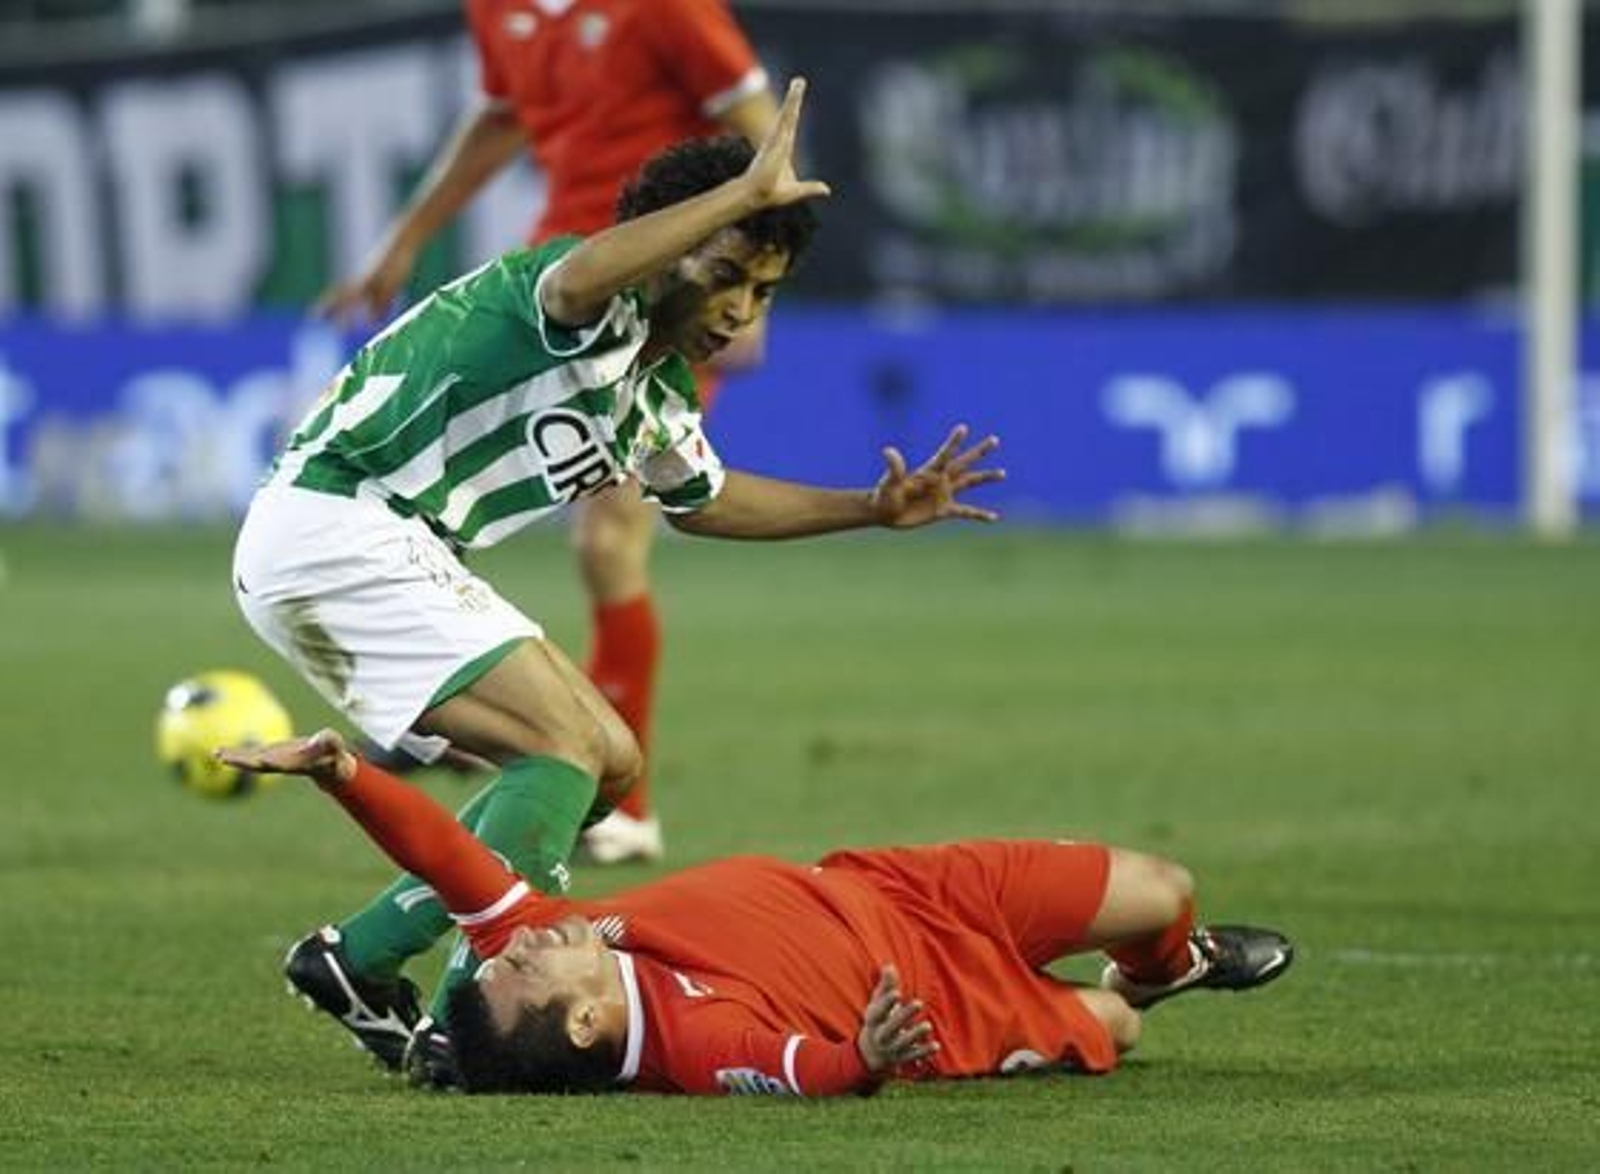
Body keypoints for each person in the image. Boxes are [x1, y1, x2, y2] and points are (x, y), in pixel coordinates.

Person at [235, 79, 1004, 1072]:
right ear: (673, 238)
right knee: (559, 749)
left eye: (764, 290)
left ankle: (376, 961)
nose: (740, 309)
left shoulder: (655, 386)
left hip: (383, 546)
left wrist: (868, 507)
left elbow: (706, 498)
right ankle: (419, 983)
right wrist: (736, 197)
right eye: (729, 272)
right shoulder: (566, 295)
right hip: (336, 527)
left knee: (610, 760)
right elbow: (587, 270)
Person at [318, 0, 786, 865]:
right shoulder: (497, 9)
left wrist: (751, 278)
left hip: (669, 280)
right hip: (563, 272)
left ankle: (623, 804)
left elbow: (762, 124)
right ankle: (452, 719)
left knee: (611, 535)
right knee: (432, 479)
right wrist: (405, 240)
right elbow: (500, 119)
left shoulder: (667, 9)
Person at [221, 729, 1295, 1096]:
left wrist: (338, 771)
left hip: (899, 886)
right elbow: (800, 1074)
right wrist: (871, 1054)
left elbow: (446, 854)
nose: (518, 942)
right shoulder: (691, 1041)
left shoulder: (563, 937)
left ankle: (1163, 959)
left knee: (1162, 890)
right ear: (587, 1024)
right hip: (937, 1003)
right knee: (1114, 1029)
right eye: (522, 970)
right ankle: (1128, 997)